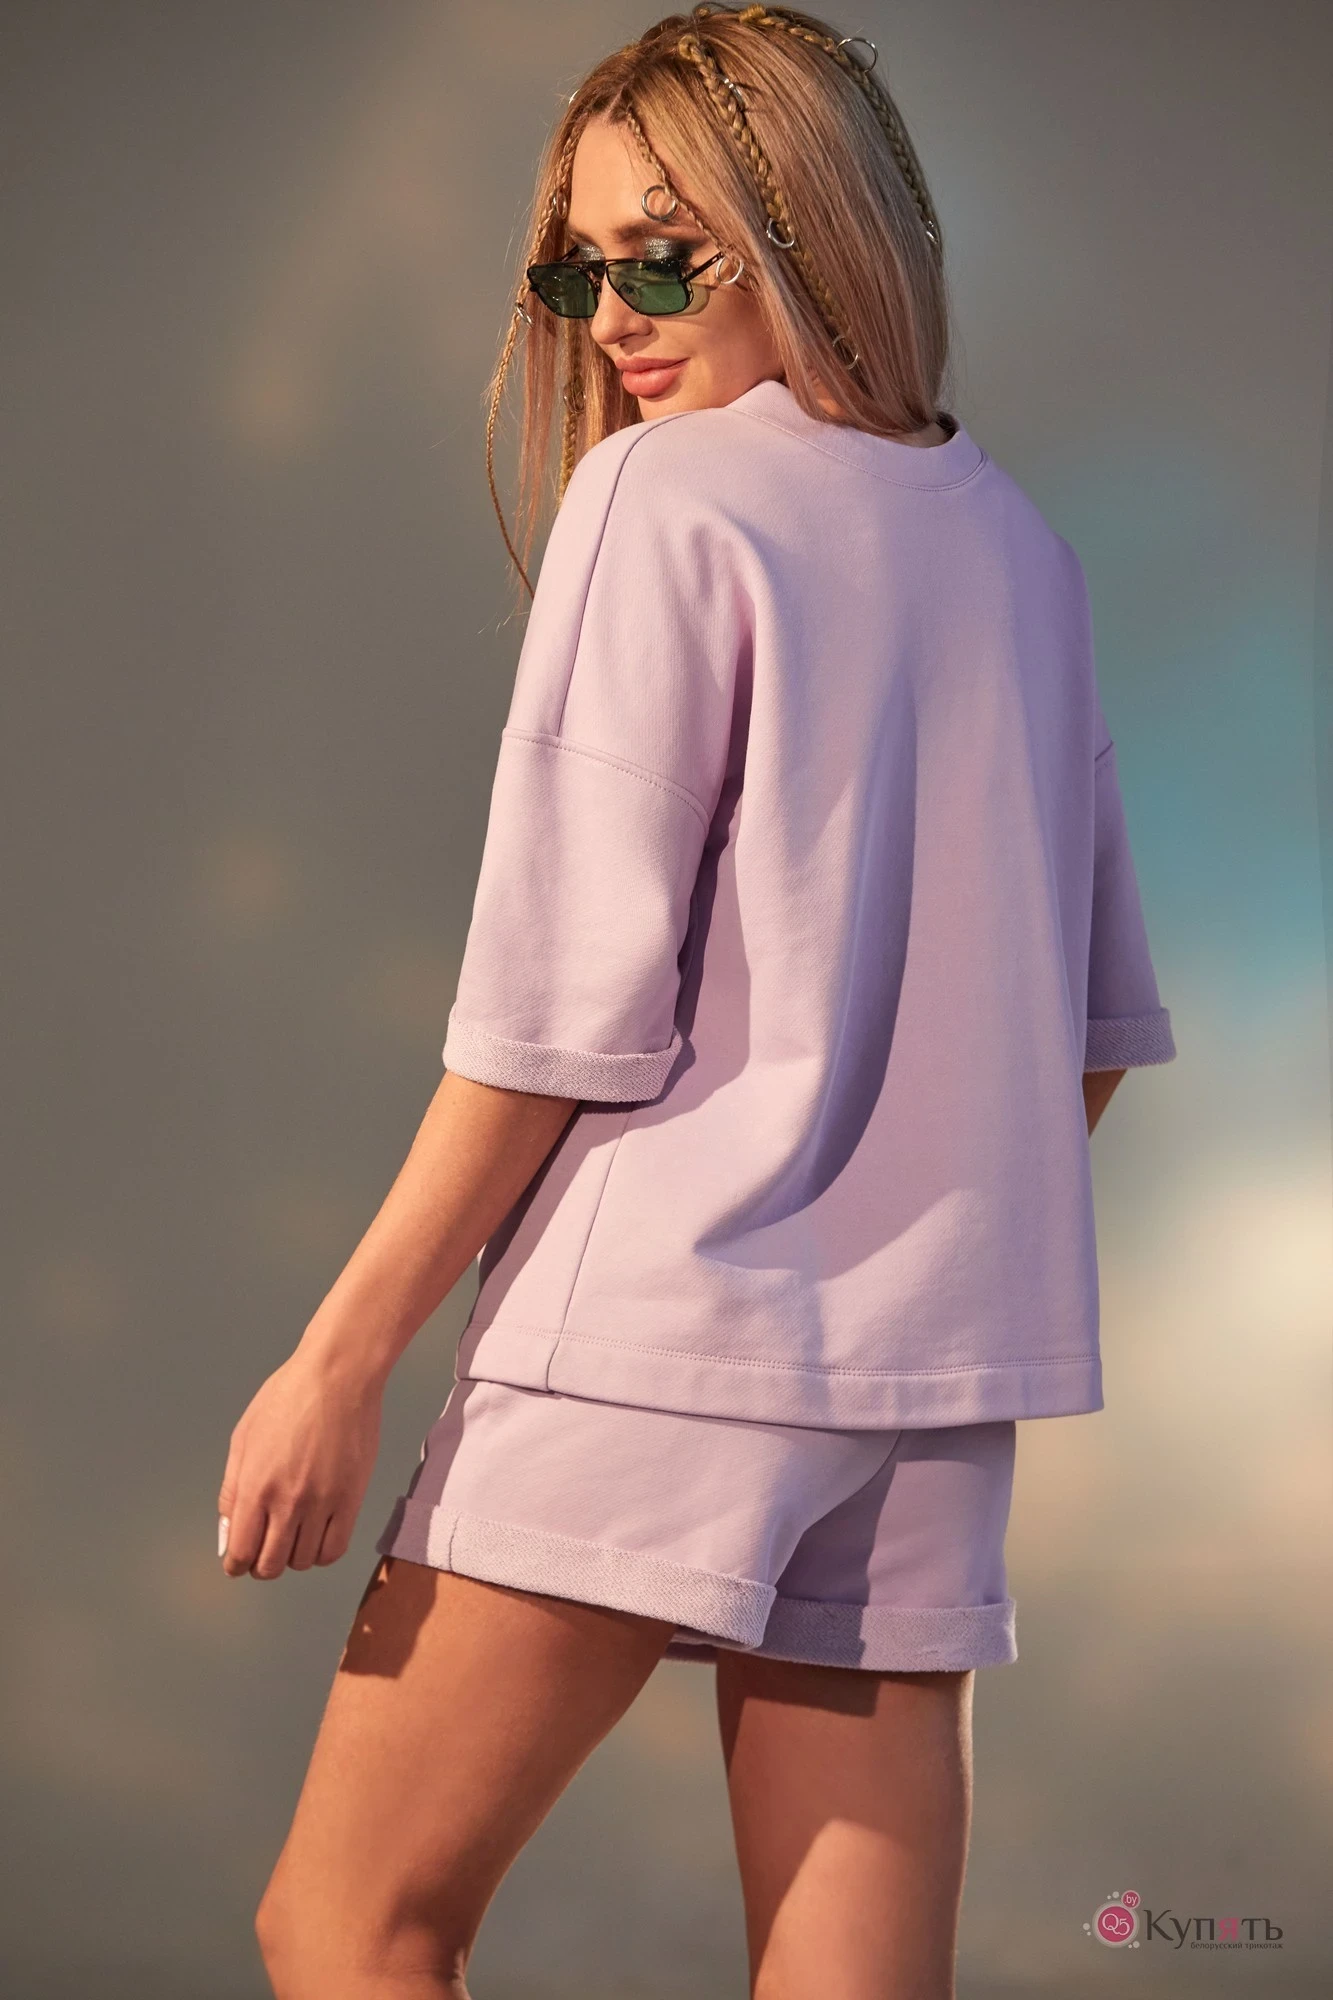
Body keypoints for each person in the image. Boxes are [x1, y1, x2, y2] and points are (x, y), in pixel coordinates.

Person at [220, 8, 1177, 1997]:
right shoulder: (1022, 550)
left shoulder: (662, 498)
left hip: (651, 1341)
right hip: (926, 1398)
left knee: (350, 1923)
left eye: (663, 260)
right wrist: (877, 1245)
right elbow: (1079, 1042)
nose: (611, 322)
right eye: (575, 272)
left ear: (817, 223)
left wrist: (340, 1354)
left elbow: (553, 1021)